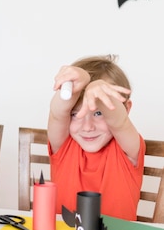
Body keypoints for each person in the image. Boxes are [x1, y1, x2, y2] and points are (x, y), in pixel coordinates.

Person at [48, 55, 145, 220]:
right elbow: (58, 113)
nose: (87, 127)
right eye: (75, 114)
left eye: (98, 113)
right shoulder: (64, 145)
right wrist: (80, 81)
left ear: (126, 108)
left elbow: (119, 121)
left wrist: (96, 89)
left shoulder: (128, 148)